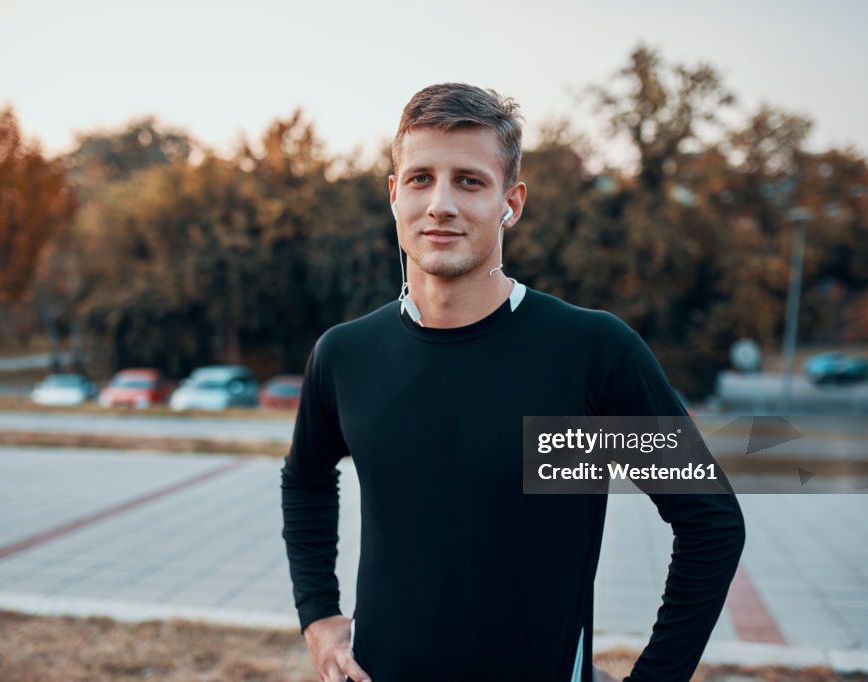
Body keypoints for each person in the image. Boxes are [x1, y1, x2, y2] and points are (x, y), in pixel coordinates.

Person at [281, 83, 745, 682]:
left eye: (469, 182)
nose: (440, 204)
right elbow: (306, 477)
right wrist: (318, 614)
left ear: (511, 202)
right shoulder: (346, 355)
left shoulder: (590, 353)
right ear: (395, 195)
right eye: (421, 179)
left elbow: (709, 521)